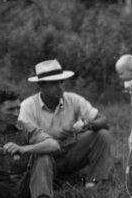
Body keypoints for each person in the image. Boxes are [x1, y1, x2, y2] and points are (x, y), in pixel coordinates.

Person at [19, 59, 113, 188]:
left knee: (102, 135)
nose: (60, 87)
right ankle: (46, 183)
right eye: (54, 83)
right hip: (44, 158)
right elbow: (22, 138)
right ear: (41, 86)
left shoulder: (73, 99)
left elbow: (104, 120)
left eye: (61, 82)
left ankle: (94, 182)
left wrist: (88, 124)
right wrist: (48, 136)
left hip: (71, 153)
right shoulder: (28, 106)